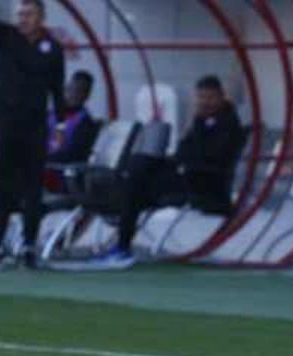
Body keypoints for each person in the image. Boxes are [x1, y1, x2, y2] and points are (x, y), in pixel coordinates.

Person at [93, 75, 246, 269]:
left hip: (203, 182)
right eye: (201, 97)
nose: (204, 102)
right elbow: (184, 149)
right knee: (140, 165)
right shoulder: (204, 121)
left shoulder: (228, 125)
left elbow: (209, 157)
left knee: (137, 188)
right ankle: (122, 236)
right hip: (187, 173)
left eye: (209, 97)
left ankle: (122, 244)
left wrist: (195, 129)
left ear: (221, 97)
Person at [0, 0, 67, 268]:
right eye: (20, 14)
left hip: (35, 127)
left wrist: (61, 123)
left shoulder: (52, 48)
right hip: (6, 126)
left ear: (41, 17)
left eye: (29, 14)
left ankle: (29, 245)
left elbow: (57, 89)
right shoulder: (7, 37)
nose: (23, 19)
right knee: (0, 187)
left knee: (33, 188)